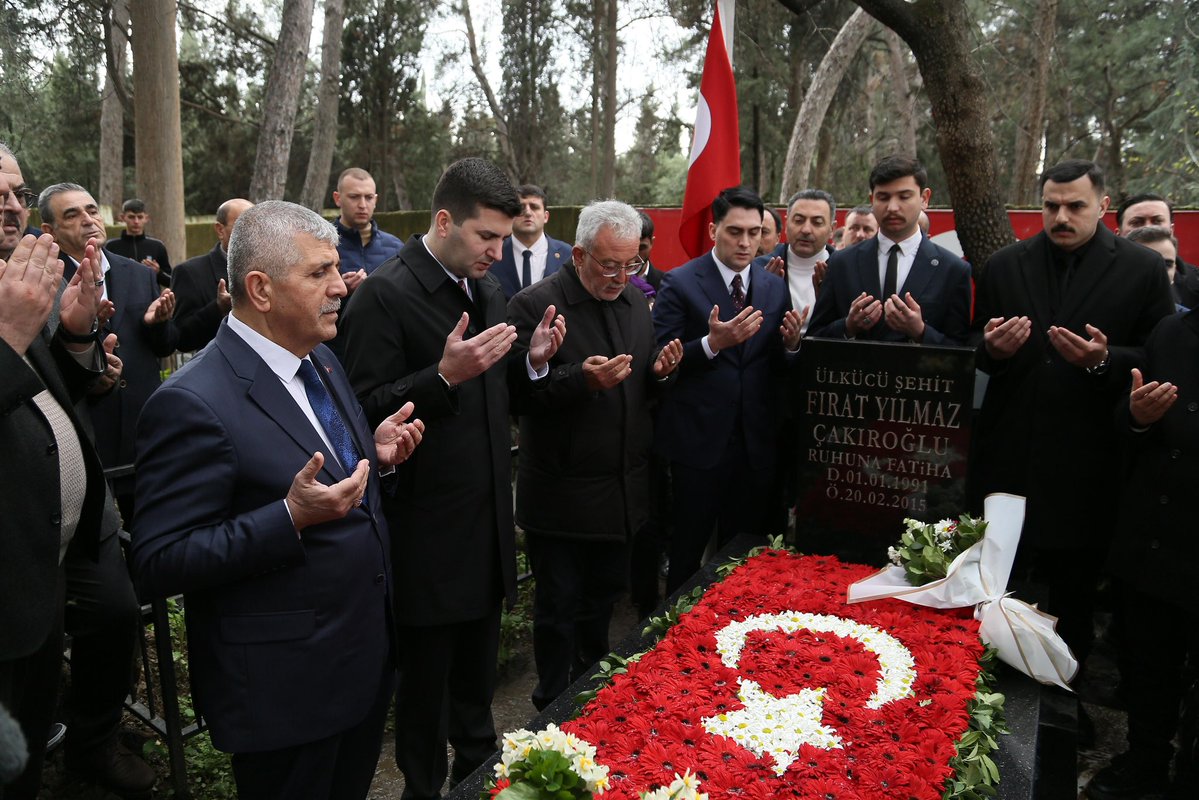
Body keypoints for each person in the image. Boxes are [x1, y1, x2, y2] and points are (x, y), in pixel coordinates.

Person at [132, 201, 424, 800]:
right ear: (260, 289)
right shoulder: (192, 403)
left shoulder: (319, 358)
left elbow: (327, 473)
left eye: (336, 269)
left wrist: (375, 453)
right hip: (285, 696)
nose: (340, 286)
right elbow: (158, 560)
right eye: (319, 273)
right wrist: (287, 517)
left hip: (360, 667)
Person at [339, 157, 563, 799]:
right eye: (487, 237)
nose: (500, 250)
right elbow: (358, 410)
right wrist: (440, 379)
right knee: (425, 687)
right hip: (425, 536)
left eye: (503, 237)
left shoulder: (485, 287)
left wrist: (536, 364)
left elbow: (498, 394)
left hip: (485, 524)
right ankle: (424, 788)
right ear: (444, 220)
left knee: (477, 683)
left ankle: (482, 777)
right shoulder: (385, 294)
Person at [970, 158, 1173, 669]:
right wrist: (992, 349)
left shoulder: (1142, 269)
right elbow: (975, 348)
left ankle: (1065, 698)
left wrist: (1104, 361)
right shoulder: (1005, 265)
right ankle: (980, 692)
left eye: (1075, 206)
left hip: (1088, 464)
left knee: (1072, 596)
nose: (1061, 216)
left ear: (1103, 207)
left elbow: (1160, 357)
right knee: (995, 587)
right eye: (1052, 205)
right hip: (1010, 456)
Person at [508, 200, 681, 710]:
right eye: (609, 264)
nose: (621, 276)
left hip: (621, 494)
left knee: (603, 603)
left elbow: (640, 393)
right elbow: (513, 397)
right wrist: (574, 378)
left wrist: (661, 374)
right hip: (561, 498)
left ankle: (594, 697)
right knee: (558, 609)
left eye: (632, 265)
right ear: (579, 253)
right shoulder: (533, 305)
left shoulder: (634, 303)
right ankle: (551, 705)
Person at [1, 176, 108, 798]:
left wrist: (70, 334)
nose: (13, 206)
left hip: (45, 566)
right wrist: (11, 337)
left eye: (17, 191)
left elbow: (41, 398)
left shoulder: (14, 280)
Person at [653, 186, 803, 593]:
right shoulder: (680, 282)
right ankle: (671, 643)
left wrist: (791, 347)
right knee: (687, 555)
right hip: (697, 444)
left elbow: (775, 362)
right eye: (735, 231)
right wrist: (712, 343)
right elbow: (660, 358)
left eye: (755, 232)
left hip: (754, 444)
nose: (746, 242)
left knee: (744, 557)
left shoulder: (772, 285)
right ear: (713, 230)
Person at [1084, 313, 1198, 800]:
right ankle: (1145, 760)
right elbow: (1126, 421)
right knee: (1152, 667)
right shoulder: (1174, 331)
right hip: (1158, 533)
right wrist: (1138, 418)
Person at [39, 183, 178, 521]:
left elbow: (166, 346)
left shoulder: (139, 273)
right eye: (72, 215)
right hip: (87, 435)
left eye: (91, 210)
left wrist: (157, 324)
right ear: (50, 231)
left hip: (142, 431)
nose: (88, 220)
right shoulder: (44, 281)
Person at [807, 155, 972, 345]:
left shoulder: (953, 270)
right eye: (883, 197)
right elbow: (815, 337)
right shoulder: (841, 263)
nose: (893, 207)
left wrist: (921, 332)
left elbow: (961, 351)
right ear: (872, 199)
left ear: (924, 198)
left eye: (904, 197)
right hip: (854, 373)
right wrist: (848, 326)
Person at [171, 198, 253, 352]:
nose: (251, 232)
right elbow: (181, 338)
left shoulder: (272, 267)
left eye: (257, 225)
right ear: (220, 230)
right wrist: (218, 309)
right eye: (242, 225)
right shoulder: (190, 272)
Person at [754, 189, 835, 334]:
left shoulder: (844, 267)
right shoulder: (759, 268)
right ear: (786, 223)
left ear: (832, 229)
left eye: (817, 222)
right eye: (798, 221)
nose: (806, 229)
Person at [1117, 192, 1199, 310]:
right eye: (1137, 222)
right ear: (1118, 234)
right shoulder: (1099, 279)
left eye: (1157, 221)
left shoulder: (1196, 282)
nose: (1148, 228)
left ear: (1171, 230)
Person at [491, 184, 573, 299]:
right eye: (521, 207)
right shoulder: (493, 252)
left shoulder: (567, 254)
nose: (528, 213)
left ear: (546, 216)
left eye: (534, 207)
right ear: (511, 215)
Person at [333, 167, 403, 288]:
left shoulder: (396, 247)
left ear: (375, 200)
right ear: (338, 199)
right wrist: (340, 290)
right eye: (354, 197)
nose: (362, 205)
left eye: (369, 197)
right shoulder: (322, 244)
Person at [104, 198, 172, 288]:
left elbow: (171, 282)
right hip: (121, 299)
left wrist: (158, 272)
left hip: (151, 300)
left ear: (146, 218)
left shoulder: (157, 246)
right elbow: (103, 278)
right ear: (122, 217)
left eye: (140, 217)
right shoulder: (111, 247)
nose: (136, 221)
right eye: (131, 217)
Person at [1126, 226, 1188, 311]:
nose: (1159, 271)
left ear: (1174, 270)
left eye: (1167, 264)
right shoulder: (1104, 316)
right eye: (1148, 264)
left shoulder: (1190, 322)